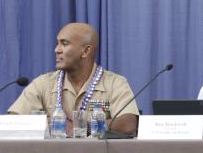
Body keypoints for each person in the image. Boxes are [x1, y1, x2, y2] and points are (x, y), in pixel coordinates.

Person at [8, 22, 138, 136]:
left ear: (86, 51)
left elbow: (128, 125)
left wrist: (80, 126)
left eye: (64, 44)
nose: (56, 50)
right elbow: (14, 122)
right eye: (57, 43)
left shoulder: (115, 83)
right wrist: (54, 125)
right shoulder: (43, 83)